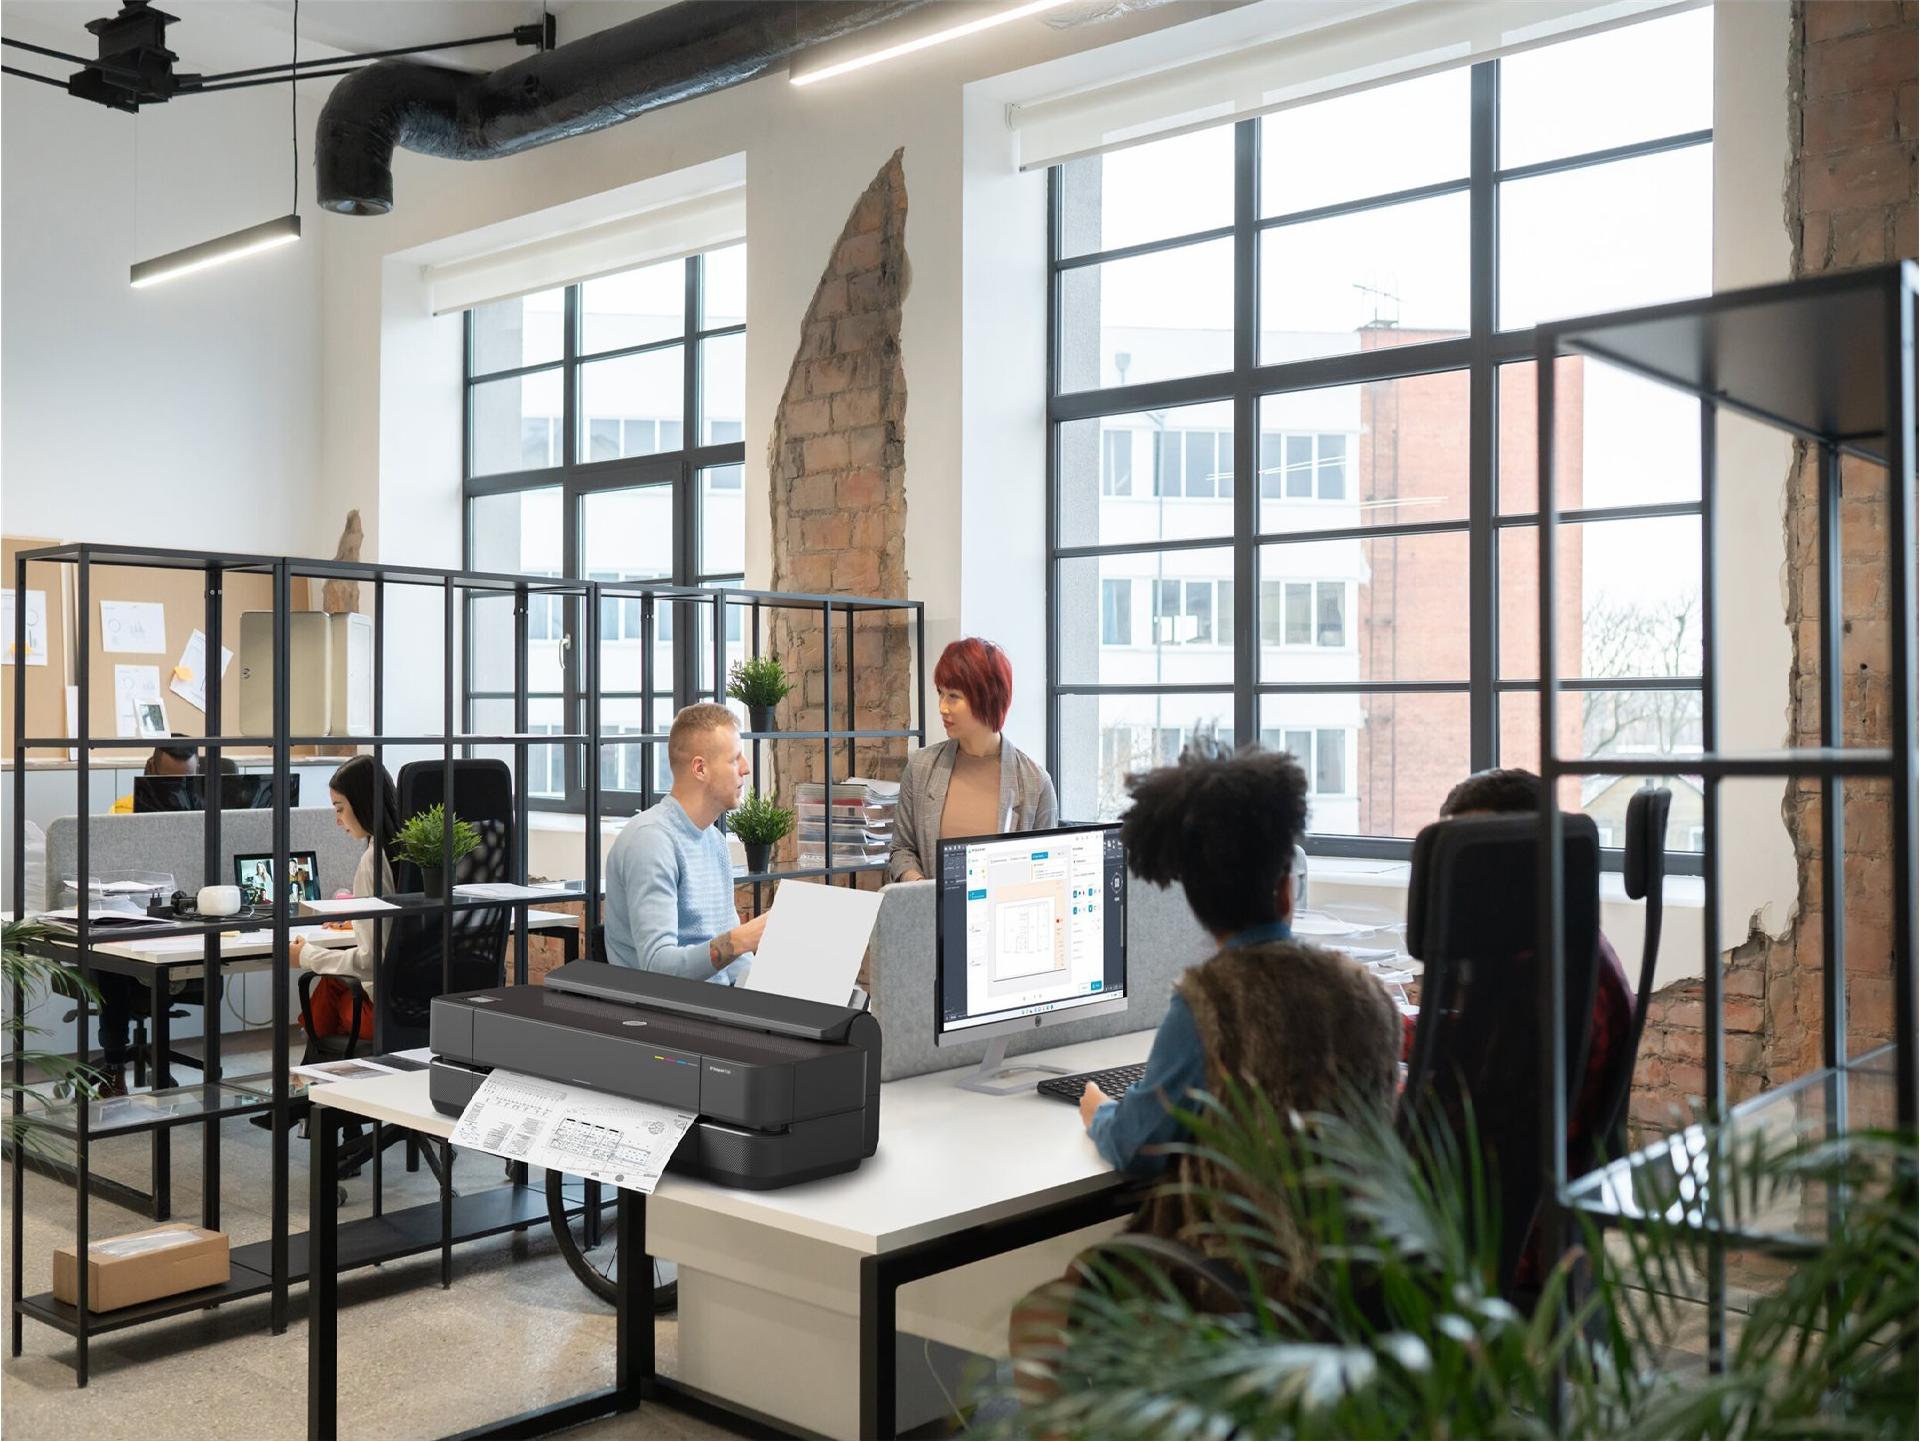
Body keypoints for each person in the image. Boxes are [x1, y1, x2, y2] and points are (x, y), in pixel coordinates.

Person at [1009, 745, 1401, 1392]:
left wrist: (1098, 1109)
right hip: (1356, 1291)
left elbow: (1139, 1146)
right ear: (1286, 888)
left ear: (1195, 905)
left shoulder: (1209, 1003)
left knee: (1041, 1317)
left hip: (1237, 1289)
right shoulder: (1368, 996)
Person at [1434, 767, 1635, 1159]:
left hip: (1508, 1191)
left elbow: (1480, 1131)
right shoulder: (1562, 941)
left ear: (1525, 858)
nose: (1462, 878)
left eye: (1478, 859)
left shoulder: (1543, 982)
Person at [604, 702, 766, 983]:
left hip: (715, 1004)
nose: (746, 768)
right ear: (700, 769)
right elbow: (658, 966)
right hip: (662, 1007)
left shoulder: (714, 840)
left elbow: (736, 963)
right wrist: (741, 939)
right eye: (734, 759)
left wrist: (766, 988)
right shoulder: (651, 842)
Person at [888, 638, 1057, 882]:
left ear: (986, 698)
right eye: (940, 693)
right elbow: (902, 849)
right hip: (932, 906)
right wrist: (921, 887)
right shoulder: (920, 767)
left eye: (953, 696)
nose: (942, 707)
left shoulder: (1035, 783)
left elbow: (1047, 873)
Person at [94, 740, 202, 1095]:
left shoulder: (206, 810)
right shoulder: (123, 811)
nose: (179, 790)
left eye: (188, 780)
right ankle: (114, 1066)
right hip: (134, 918)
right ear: (151, 770)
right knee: (112, 964)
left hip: (185, 918)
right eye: (170, 781)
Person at [288, 755, 396, 1040]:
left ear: (361, 803)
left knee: (332, 988)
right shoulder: (411, 850)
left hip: (389, 1012)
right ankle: (314, 1051)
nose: (338, 821)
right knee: (333, 985)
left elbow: (371, 961)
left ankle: (313, 1051)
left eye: (340, 809)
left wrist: (307, 955)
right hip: (425, 1002)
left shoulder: (373, 862)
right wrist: (360, 923)